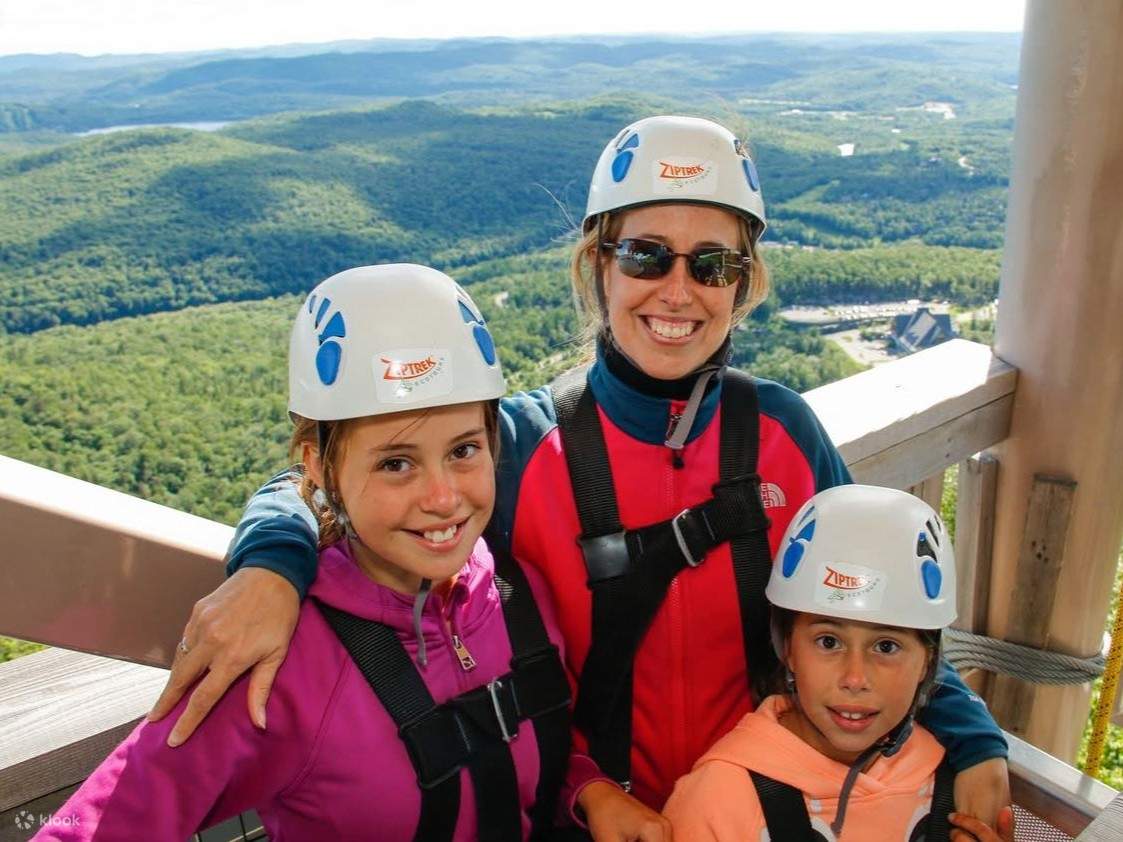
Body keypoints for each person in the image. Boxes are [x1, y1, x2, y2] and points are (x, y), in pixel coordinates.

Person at [149, 115, 1011, 823]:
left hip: (758, 805)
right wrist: (270, 567)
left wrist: (971, 741)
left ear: (743, 284)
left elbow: (881, 602)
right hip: (589, 818)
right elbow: (321, 486)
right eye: (645, 255)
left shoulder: (781, 432)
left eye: (712, 264)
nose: (677, 290)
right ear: (598, 263)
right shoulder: (523, 446)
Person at [35, 265, 665, 841]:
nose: (443, 497)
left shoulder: (513, 594)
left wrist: (587, 791)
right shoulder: (280, 662)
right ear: (322, 468)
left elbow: (513, 764)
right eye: (396, 463)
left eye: (465, 450)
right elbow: (98, 821)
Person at [663, 485, 1016, 841]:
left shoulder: (958, 788)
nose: (855, 678)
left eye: (887, 646)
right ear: (787, 648)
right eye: (829, 642)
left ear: (928, 662)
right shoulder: (718, 803)